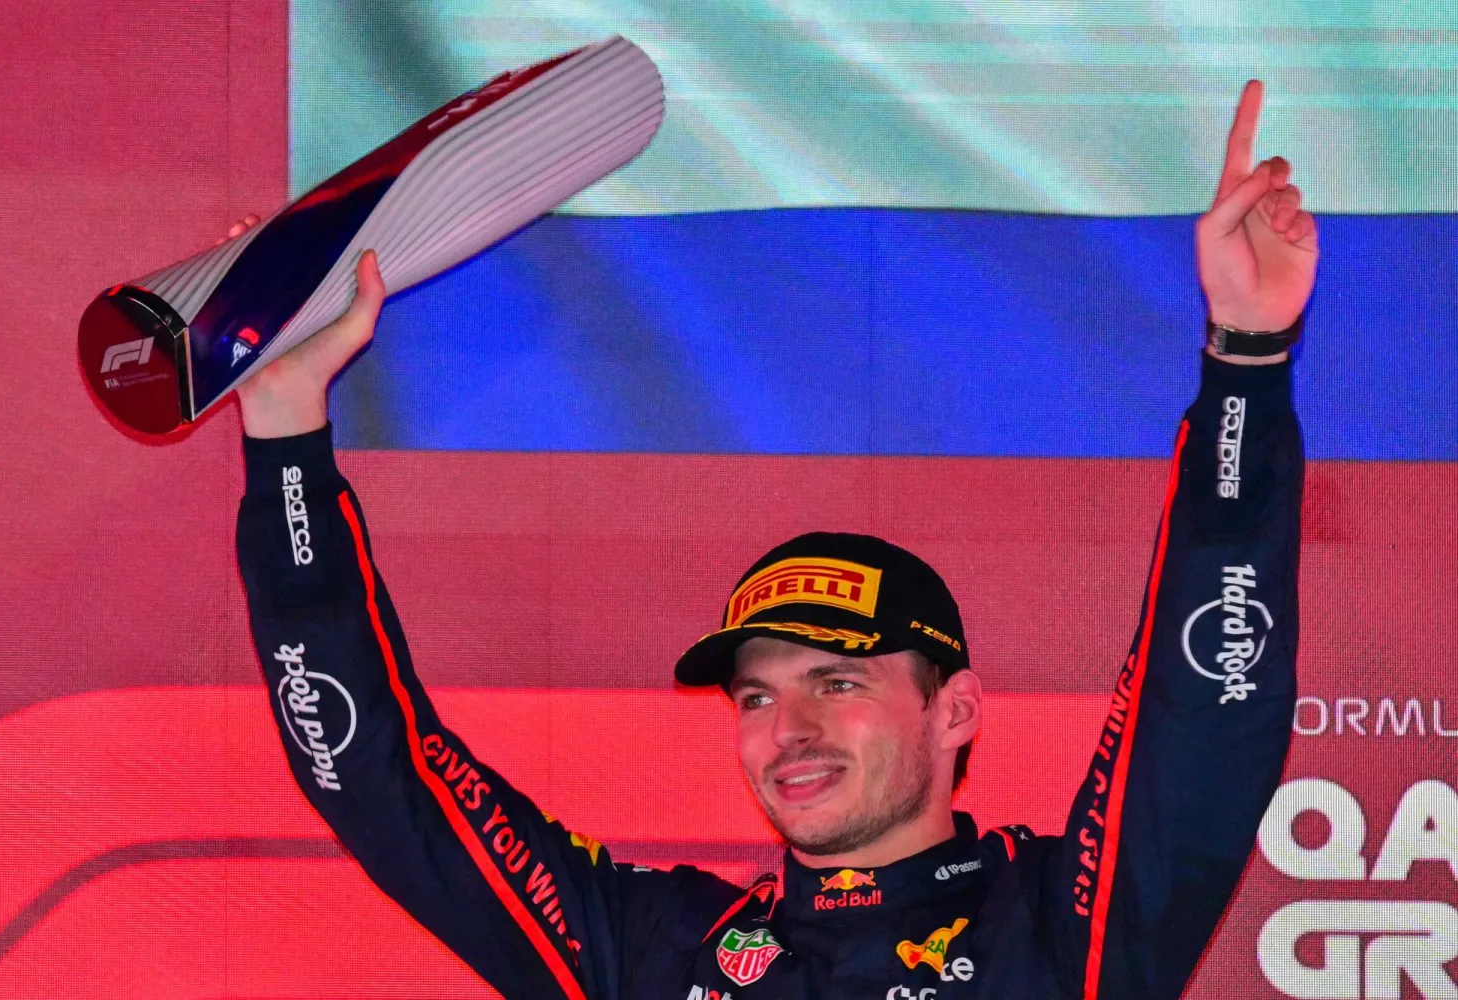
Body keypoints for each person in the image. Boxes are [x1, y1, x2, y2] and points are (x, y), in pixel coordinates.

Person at [233, 80, 1315, 998]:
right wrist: (284, 433)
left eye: (836, 682)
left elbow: (1206, 715)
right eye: (756, 696)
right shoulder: (659, 951)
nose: (787, 730)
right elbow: (381, 780)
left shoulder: (1059, 928)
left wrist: (1248, 359)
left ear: (955, 709)